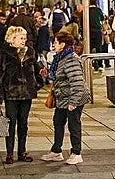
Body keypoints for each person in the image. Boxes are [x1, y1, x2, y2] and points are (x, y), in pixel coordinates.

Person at [0, 26, 43, 164]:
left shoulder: (30, 52)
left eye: (25, 38)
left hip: (26, 93)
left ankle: (22, 151)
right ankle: (9, 153)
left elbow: (36, 69)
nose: (23, 41)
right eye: (21, 38)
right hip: (11, 93)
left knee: (23, 124)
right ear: (12, 39)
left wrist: (38, 82)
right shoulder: (5, 53)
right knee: (11, 124)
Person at [41, 31, 90, 165]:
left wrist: (73, 102)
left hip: (74, 97)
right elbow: (59, 76)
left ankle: (76, 153)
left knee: (74, 125)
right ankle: (56, 151)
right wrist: (47, 74)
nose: (53, 45)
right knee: (58, 122)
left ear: (62, 44)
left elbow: (77, 82)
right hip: (63, 97)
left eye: (56, 42)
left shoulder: (71, 59)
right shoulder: (60, 58)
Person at [89, 0, 105, 71]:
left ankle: (92, 63)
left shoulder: (86, 11)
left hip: (89, 31)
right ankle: (99, 64)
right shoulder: (98, 10)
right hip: (97, 31)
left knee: (90, 48)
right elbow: (102, 18)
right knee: (98, 48)